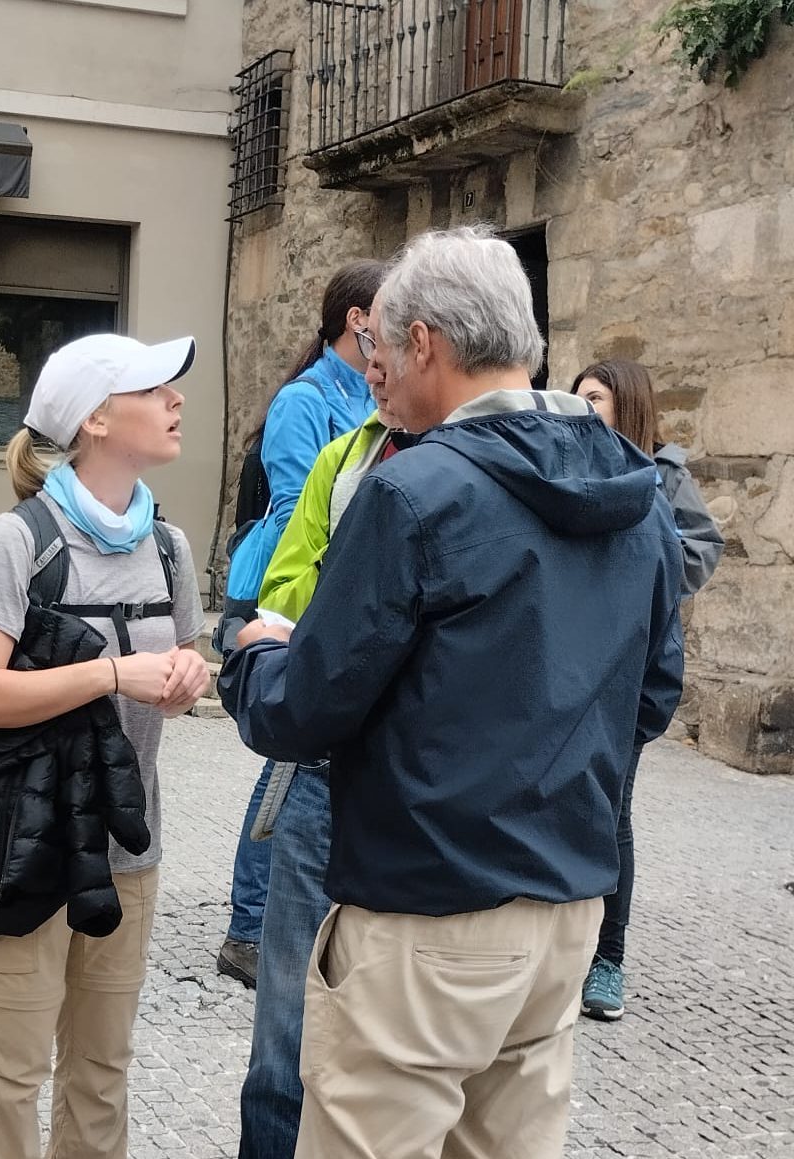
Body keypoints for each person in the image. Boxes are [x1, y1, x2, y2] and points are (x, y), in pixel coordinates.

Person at [221, 227, 684, 1159]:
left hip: (424, 911)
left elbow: (304, 708)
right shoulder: (636, 494)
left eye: (382, 354)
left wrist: (256, 652)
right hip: (564, 915)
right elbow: (652, 696)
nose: (374, 378)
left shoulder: (413, 490)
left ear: (426, 343)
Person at [0, 333, 207, 1159]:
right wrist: (111, 675)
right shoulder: (18, 542)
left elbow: (186, 662)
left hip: (130, 851)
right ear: (96, 417)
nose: (178, 400)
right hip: (25, 848)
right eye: (155, 388)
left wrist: (190, 675)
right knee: (11, 1077)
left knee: (101, 1070)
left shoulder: (171, 548)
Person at [236, 334, 416, 1159]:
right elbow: (286, 576)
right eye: (366, 340)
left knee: (402, 1047)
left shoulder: (472, 471)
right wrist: (283, 637)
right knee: (285, 1038)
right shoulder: (345, 457)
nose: (371, 362)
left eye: (390, 343)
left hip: (424, 795)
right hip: (321, 770)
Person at [216, 259, 388, 989]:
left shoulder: (367, 399)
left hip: (334, 594)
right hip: (289, 595)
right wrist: (307, 616)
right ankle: (247, 927)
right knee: (289, 761)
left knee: (307, 758)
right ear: (358, 320)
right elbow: (297, 512)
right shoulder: (304, 400)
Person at [570, 358, 724, 1022]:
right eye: (576, 396)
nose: (582, 407)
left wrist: (636, 560)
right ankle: (557, 944)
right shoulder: (564, 465)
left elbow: (699, 550)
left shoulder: (664, 476)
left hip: (629, 675)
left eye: (595, 397)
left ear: (624, 404)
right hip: (568, 663)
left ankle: (608, 958)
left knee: (613, 812)